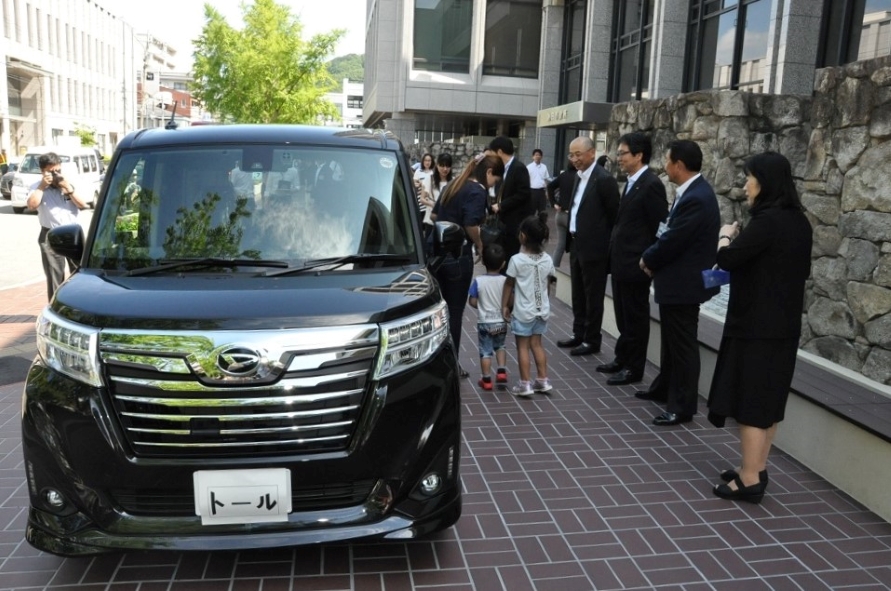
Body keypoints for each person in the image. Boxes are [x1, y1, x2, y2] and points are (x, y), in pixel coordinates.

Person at [707, 151, 813, 504]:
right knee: (768, 399)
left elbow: (729, 259)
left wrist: (725, 235)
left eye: (749, 178)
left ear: (764, 183)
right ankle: (756, 466)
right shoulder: (799, 222)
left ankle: (750, 479)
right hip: (783, 326)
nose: (746, 185)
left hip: (755, 326)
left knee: (751, 400)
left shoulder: (767, 222)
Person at [638, 140, 721, 426]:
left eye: (668, 160)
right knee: (673, 343)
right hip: (677, 283)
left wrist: (648, 258)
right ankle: (665, 390)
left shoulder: (697, 197)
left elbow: (673, 239)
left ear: (680, 166)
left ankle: (682, 406)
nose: (665, 165)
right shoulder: (692, 193)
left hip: (684, 285)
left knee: (683, 346)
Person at [598, 132, 668, 386]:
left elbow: (658, 226)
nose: (619, 158)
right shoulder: (631, 181)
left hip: (637, 263)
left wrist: (649, 260)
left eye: (623, 153)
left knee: (635, 318)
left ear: (639, 155)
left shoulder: (651, 185)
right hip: (620, 261)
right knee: (622, 315)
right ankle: (621, 358)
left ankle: (633, 367)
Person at [432, 154, 504, 378]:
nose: (493, 185)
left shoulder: (454, 184)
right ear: (489, 173)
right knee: (454, 312)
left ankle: (435, 361)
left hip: (437, 256)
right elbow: (471, 224)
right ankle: (452, 364)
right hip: (458, 256)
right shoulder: (476, 190)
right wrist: (481, 245)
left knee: (438, 312)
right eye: (495, 180)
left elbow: (434, 214)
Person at [557, 136, 620, 356]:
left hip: (595, 248)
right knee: (578, 294)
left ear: (592, 153)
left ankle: (592, 339)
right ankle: (578, 333)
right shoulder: (577, 177)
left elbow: (614, 216)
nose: (574, 159)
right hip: (575, 243)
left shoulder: (603, 179)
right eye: (571, 154)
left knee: (593, 296)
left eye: (578, 154)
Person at [502, 213, 556, 397]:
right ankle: (542, 380)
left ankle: (525, 384)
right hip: (542, 310)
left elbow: (509, 284)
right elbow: (547, 284)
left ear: (523, 236)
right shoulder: (547, 259)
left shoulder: (516, 260)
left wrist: (504, 306)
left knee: (522, 347)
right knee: (537, 344)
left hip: (523, 311)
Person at [26, 152, 88, 300]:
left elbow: (83, 205)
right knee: (55, 276)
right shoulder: (36, 187)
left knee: (80, 273)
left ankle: (78, 306)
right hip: (50, 234)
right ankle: (55, 309)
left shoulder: (69, 182)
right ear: (42, 171)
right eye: (50, 171)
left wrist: (68, 188)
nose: (55, 174)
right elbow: (32, 206)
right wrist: (42, 187)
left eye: (57, 170)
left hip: (72, 234)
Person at [468, 243, 510, 391]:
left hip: (485, 322)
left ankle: (486, 380)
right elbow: (509, 299)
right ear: (503, 263)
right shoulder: (506, 281)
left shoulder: (478, 281)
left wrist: (482, 305)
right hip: (501, 321)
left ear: (484, 262)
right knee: (500, 346)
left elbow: (472, 301)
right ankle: (501, 372)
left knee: (485, 351)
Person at [488, 136, 533, 263]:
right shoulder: (502, 168)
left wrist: (501, 205)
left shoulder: (518, 168)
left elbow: (523, 193)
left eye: (493, 154)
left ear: (500, 152)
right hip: (502, 223)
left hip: (513, 224)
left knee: (509, 258)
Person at [547, 161, 576, 268]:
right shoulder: (579, 177)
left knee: (560, 245)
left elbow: (550, 186)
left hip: (560, 214)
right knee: (575, 246)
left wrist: (553, 203)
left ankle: (554, 269)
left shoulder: (563, 175)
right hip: (572, 216)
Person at [420, 153, 453, 241]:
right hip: (431, 221)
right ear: (437, 166)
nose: (445, 169)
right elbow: (422, 199)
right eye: (442, 166)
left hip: (447, 222)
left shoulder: (453, 182)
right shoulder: (430, 179)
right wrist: (432, 204)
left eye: (447, 166)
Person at [526, 148, 551, 218]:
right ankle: (530, 226)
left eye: (539, 155)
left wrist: (547, 192)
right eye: (536, 155)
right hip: (532, 191)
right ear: (533, 157)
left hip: (541, 191)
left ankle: (541, 227)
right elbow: (526, 180)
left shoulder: (544, 167)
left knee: (542, 212)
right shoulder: (528, 167)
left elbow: (546, 179)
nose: (537, 156)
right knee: (531, 212)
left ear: (541, 157)